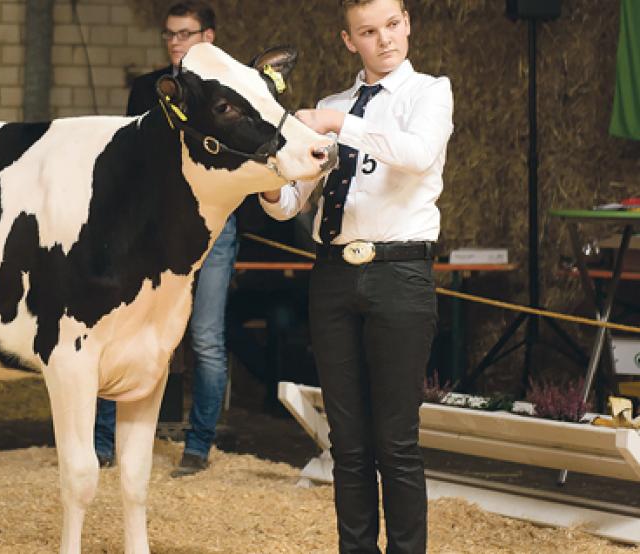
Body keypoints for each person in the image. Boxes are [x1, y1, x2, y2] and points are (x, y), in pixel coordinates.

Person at [260, 0, 453, 551]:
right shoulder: (332, 103)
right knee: (346, 443)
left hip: (399, 275)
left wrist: (338, 123)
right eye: (369, 32)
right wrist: (271, 177)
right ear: (350, 41)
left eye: (392, 25)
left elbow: (416, 155)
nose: (385, 40)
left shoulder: (429, 93)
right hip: (334, 278)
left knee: (395, 441)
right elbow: (293, 201)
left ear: (408, 23)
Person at [93, 0, 237, 478]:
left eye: (186, 33)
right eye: (171, 35)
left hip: (211, 224)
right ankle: (101, 443)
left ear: (208, 38)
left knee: (206, 338)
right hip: (151, 226)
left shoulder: (232, 91)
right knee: (123, 327)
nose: (176, 42)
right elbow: (130, 157)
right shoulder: (147, 90)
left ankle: (198, 446)